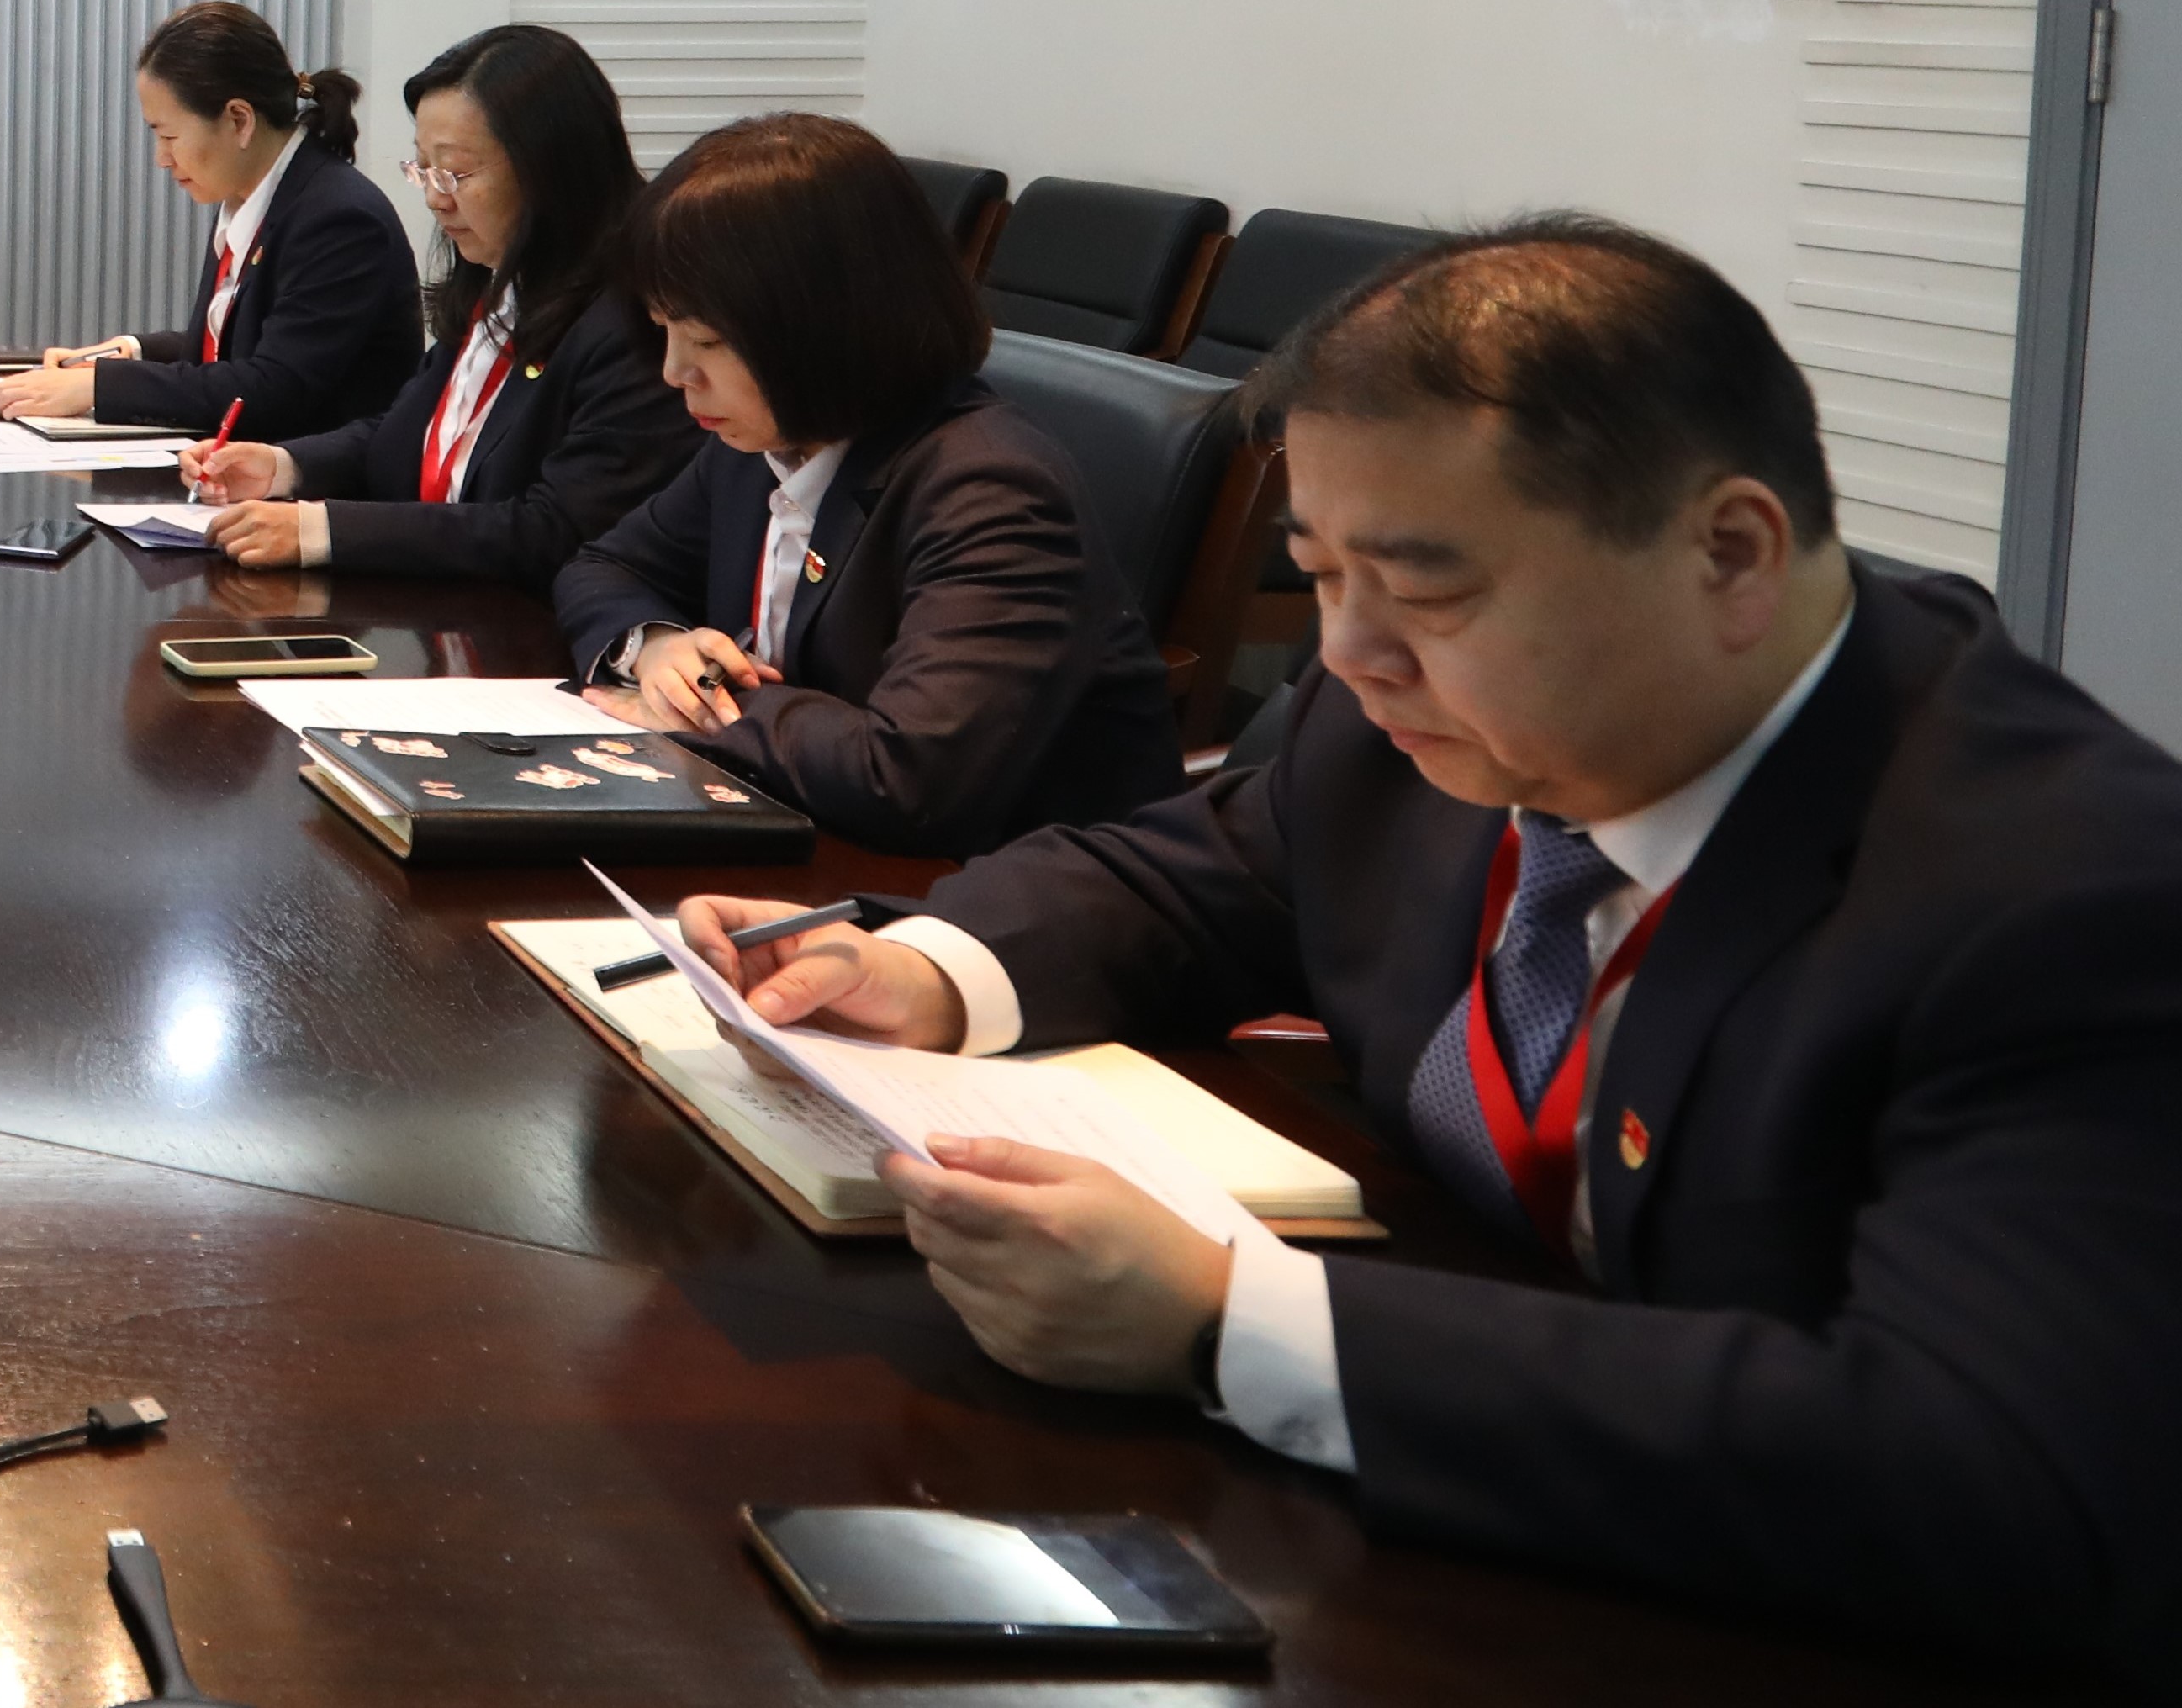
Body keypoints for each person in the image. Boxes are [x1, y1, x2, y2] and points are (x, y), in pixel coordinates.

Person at [669, 220, 2182, 1665]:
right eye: (1320, 574)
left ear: (1728, 553)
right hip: (1443, 1544)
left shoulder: (2063, 895)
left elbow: (1985, 1467)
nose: (1345, 652)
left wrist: (1232, 1319)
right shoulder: (1420, 725)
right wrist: (924, 966)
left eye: (1424, 586)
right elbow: (1205, 873)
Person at [552, 113, 1175, 854]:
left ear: (823, 323)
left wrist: (712, 702)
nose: (673, 372)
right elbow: (604, 565)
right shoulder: (759, 437)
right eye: (664, 330)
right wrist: (655, 648)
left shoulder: (993, 490)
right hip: (809, 827)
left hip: (1002, 890)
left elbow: (909, 776)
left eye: (707, 340)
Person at [174, 24, 695, 590]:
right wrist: (282, 467)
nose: (433, 197)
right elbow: (407, 432)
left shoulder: (635, 321)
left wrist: (322, 530)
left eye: (454, 172)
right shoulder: (497, 280)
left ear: (550, 167)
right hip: (437, 611)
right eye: (422, 168)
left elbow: (556, 530)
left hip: (529, 630)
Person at [0, 2, 416, 436]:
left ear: (239, 120)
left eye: (170, 135)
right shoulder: (253, 196)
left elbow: (274, 387)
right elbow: (235, 346)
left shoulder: (339, 219)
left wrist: (98, 386)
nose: (162, 158)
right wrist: (133, 352)